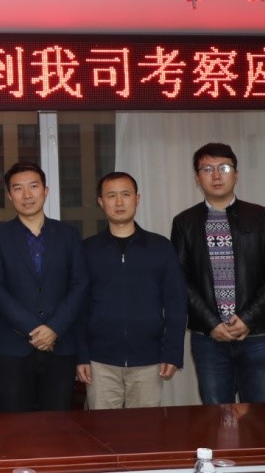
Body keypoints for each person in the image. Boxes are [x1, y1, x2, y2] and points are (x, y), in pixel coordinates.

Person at [170, 142, 265, 404]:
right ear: (197, 178)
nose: (216, 175)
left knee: (261, 418)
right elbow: (179, 279)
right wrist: (211, 323)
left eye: (224, 168)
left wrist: (248, 318)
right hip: (209, 339)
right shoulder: (184, 222)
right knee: (216, 418)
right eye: (207, 169)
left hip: (257, 335)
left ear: (236, 174)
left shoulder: (263, 217)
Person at [0, 161, 88, 412]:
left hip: (60, 344)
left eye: (33, 186)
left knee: (58, 422)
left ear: (46, 191)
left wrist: (54, 328)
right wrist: (34, 329)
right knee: (15, 424)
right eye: (18, 188)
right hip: (13, 346)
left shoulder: (69, 234)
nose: (27, 195)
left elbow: (79, 284)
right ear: (10, 195)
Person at [76, 171, 187, 408]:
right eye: (111, 196)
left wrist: (172, 352)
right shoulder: (87, 250)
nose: (119, 202)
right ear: (101, 201)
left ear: (137, 198)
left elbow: (176, 304)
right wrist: (81, 355)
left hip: (149, 360)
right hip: (100, 361)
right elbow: (79, 308)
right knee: (103, 429)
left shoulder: (160, 247)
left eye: (125, 194)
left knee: (146, 429)